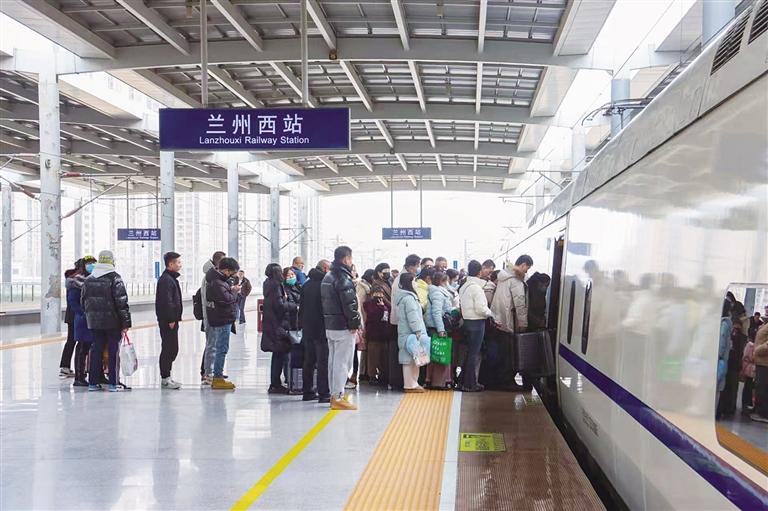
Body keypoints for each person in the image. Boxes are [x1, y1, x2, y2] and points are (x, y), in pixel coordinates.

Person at [81, 250, 132, 392]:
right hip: (112, 322)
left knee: (96, 350)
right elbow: (121, 303)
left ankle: (93, 383)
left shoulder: (89, 279)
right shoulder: (115, 278)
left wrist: (90, 316)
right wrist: (126, 323)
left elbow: (83, 301)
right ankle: (113, 383)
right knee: (113, 351)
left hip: (94, 323)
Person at [321, 246, 362, 410]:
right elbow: (350, 304)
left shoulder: (328, 276)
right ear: (346, 259)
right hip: (343, 327)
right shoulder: (343, 278)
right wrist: (355, 324)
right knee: (343, 363)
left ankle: (334, 394)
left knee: (333, 362)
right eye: (350, 259)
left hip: (330, 325)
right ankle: (338, 397)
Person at [491, 255, 534, 391]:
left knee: (503, 353)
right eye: (527, 268)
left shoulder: (504, 278)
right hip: (509, 322)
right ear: (523, 264)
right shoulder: (515, 281)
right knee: (509, 355)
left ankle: (500, 380)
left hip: (499, 320)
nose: (526, 271)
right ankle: (507, 381)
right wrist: (523, 324)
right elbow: (520, 304)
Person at [459, 260, 496, 392]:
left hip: (467, 322)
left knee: (469, 353)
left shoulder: (464, 286)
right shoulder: (476, 288)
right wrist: (491, 314)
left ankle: (463, 382)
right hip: (477, 323)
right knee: (473, 354)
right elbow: (481, 308)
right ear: (479, 272)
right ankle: (470, 384)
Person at [205, 257, 240, 390]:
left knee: (220, 348)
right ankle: (218, 377)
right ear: (225, 270)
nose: (232, 275)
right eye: (232, 272)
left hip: (222, 318)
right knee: (221, 348)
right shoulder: (217, 283)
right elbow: (226, 300)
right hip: (222, 319)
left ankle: (217, 375)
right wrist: (234, 292)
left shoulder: (218, 281)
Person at [262, 263, 297, 394]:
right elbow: (280, 306)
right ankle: (275, 384)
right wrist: (293, 306)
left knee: (277, 354)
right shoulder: (276, 286)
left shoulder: (268, 284)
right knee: (280, 354)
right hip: (277, 324)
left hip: (272, 323)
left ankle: (275, 383)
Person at [299, 260, 331, 402]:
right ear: (325, 268)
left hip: (307, 328)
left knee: (309, 361)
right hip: (321, 328)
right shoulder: (324, 285)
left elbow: (301, 307)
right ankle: (324, 393)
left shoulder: (306, 284)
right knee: (323, 362)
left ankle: (307, 392)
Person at [388, 255, 421, 390]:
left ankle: (408, 382)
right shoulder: (402, 281)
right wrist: (417, 329)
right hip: (403, 324)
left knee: (407, 355)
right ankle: (404, 383)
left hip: (403, 323)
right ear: (410, 266)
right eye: (417, 266)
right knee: (406, 356)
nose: (418, 269)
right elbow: (407, 311)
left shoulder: (405, 278)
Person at [156, 251, 183, 390]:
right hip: (168, 321)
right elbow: (166, 301)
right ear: (170, 264)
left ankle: (167, 376)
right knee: (169, 348)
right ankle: (165, 378)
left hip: (172, 320)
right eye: (178, 262)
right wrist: (171, 318)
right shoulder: (166, 280)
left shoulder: (171, 278)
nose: (180, 265)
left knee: (172, 348)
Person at [67, 256, 96, 387]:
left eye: (94, 263)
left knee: (88, 346)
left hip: (91, 318)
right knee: (82, 347)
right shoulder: (76, 282)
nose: (92, 266)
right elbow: (72, 301)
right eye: (89, 263)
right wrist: (83, 313)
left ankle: (84, 374)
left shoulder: (93, 279)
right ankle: (79, 376)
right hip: (82, 319)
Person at [396, 273, 427, 393]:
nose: (415, 283)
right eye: (414, 281)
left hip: (409, 333)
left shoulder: (407, 297)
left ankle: (414, 383)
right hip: (411, 334)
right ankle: (409, 385)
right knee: (409, 360)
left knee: (415, 359)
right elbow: (413, 316)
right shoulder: (409, 298)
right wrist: (418, 330)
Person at [425, 271, 454, 390]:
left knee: (434, 354)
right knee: (440, 355)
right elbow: (436, 312)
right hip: (437, 328)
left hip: (435, 327)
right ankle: (438, 382)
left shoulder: (436, 291)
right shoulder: (437, 293)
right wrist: (441, 329)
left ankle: (430, 380)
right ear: (442, 281)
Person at [201, 250, 226, 384]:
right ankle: (208, 374)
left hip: (214, 316)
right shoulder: (210, 277)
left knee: (214, 345)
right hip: (212, 316)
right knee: (212, 345)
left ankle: (213, 371)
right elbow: (212, 298)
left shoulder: (213, 275)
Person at [349, 269, 374, 388]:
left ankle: (355, 375)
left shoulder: (364, 287)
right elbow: (358, 309)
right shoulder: (361, 287)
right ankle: (355, 375)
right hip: (356, 324)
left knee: (355, 352)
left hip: (358, 324)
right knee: (353, 353)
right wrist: (360, 324)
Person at [59, 263, 80, 378]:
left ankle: (65, 366)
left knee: (71, 341)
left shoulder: (71, 279)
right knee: (75, 341)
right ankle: (69, 367)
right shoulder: (76, 281)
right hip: (75, 315)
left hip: (71, 315)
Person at [750, 322, 768, 423]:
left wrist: (757, 350)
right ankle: (759, 409)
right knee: (759, 386)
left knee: (762, 388)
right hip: (761, 361)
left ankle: (763, 413)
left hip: (765, 362)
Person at [742, 339, 756, 414]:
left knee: (749, 387)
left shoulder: (750, 345)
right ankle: (746, 405)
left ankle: (748, 405)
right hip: (751, 369)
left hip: (751, 369)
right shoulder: (750, 345)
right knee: (749, 386)